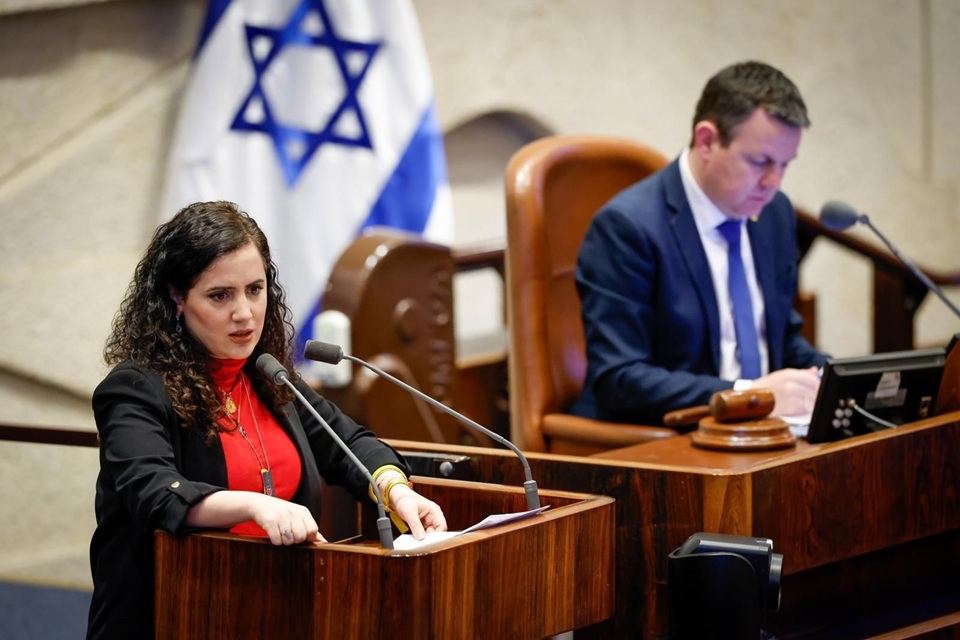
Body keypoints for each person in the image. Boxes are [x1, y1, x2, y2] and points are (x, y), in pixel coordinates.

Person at [86, 201, 447, 640]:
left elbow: (349, 444)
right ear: (176, 299)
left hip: (277, 612)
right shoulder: (134, 389)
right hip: (170, 617)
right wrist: (255, 505)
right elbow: (156, 493)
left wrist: (395, 491)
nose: (244, 313)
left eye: (254, 290)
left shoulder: (267, 377)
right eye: (220, 295)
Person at [573, 61, 828, 427]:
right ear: (707, 141)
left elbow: (779, 338)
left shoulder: (774, 214)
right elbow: (619, 378)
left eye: (785, 165)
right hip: (670, 436)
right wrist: (749, 394)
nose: (773, 182)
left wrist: (832, 380)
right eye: (760, 162)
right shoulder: (628, 227)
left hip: (763, 432)